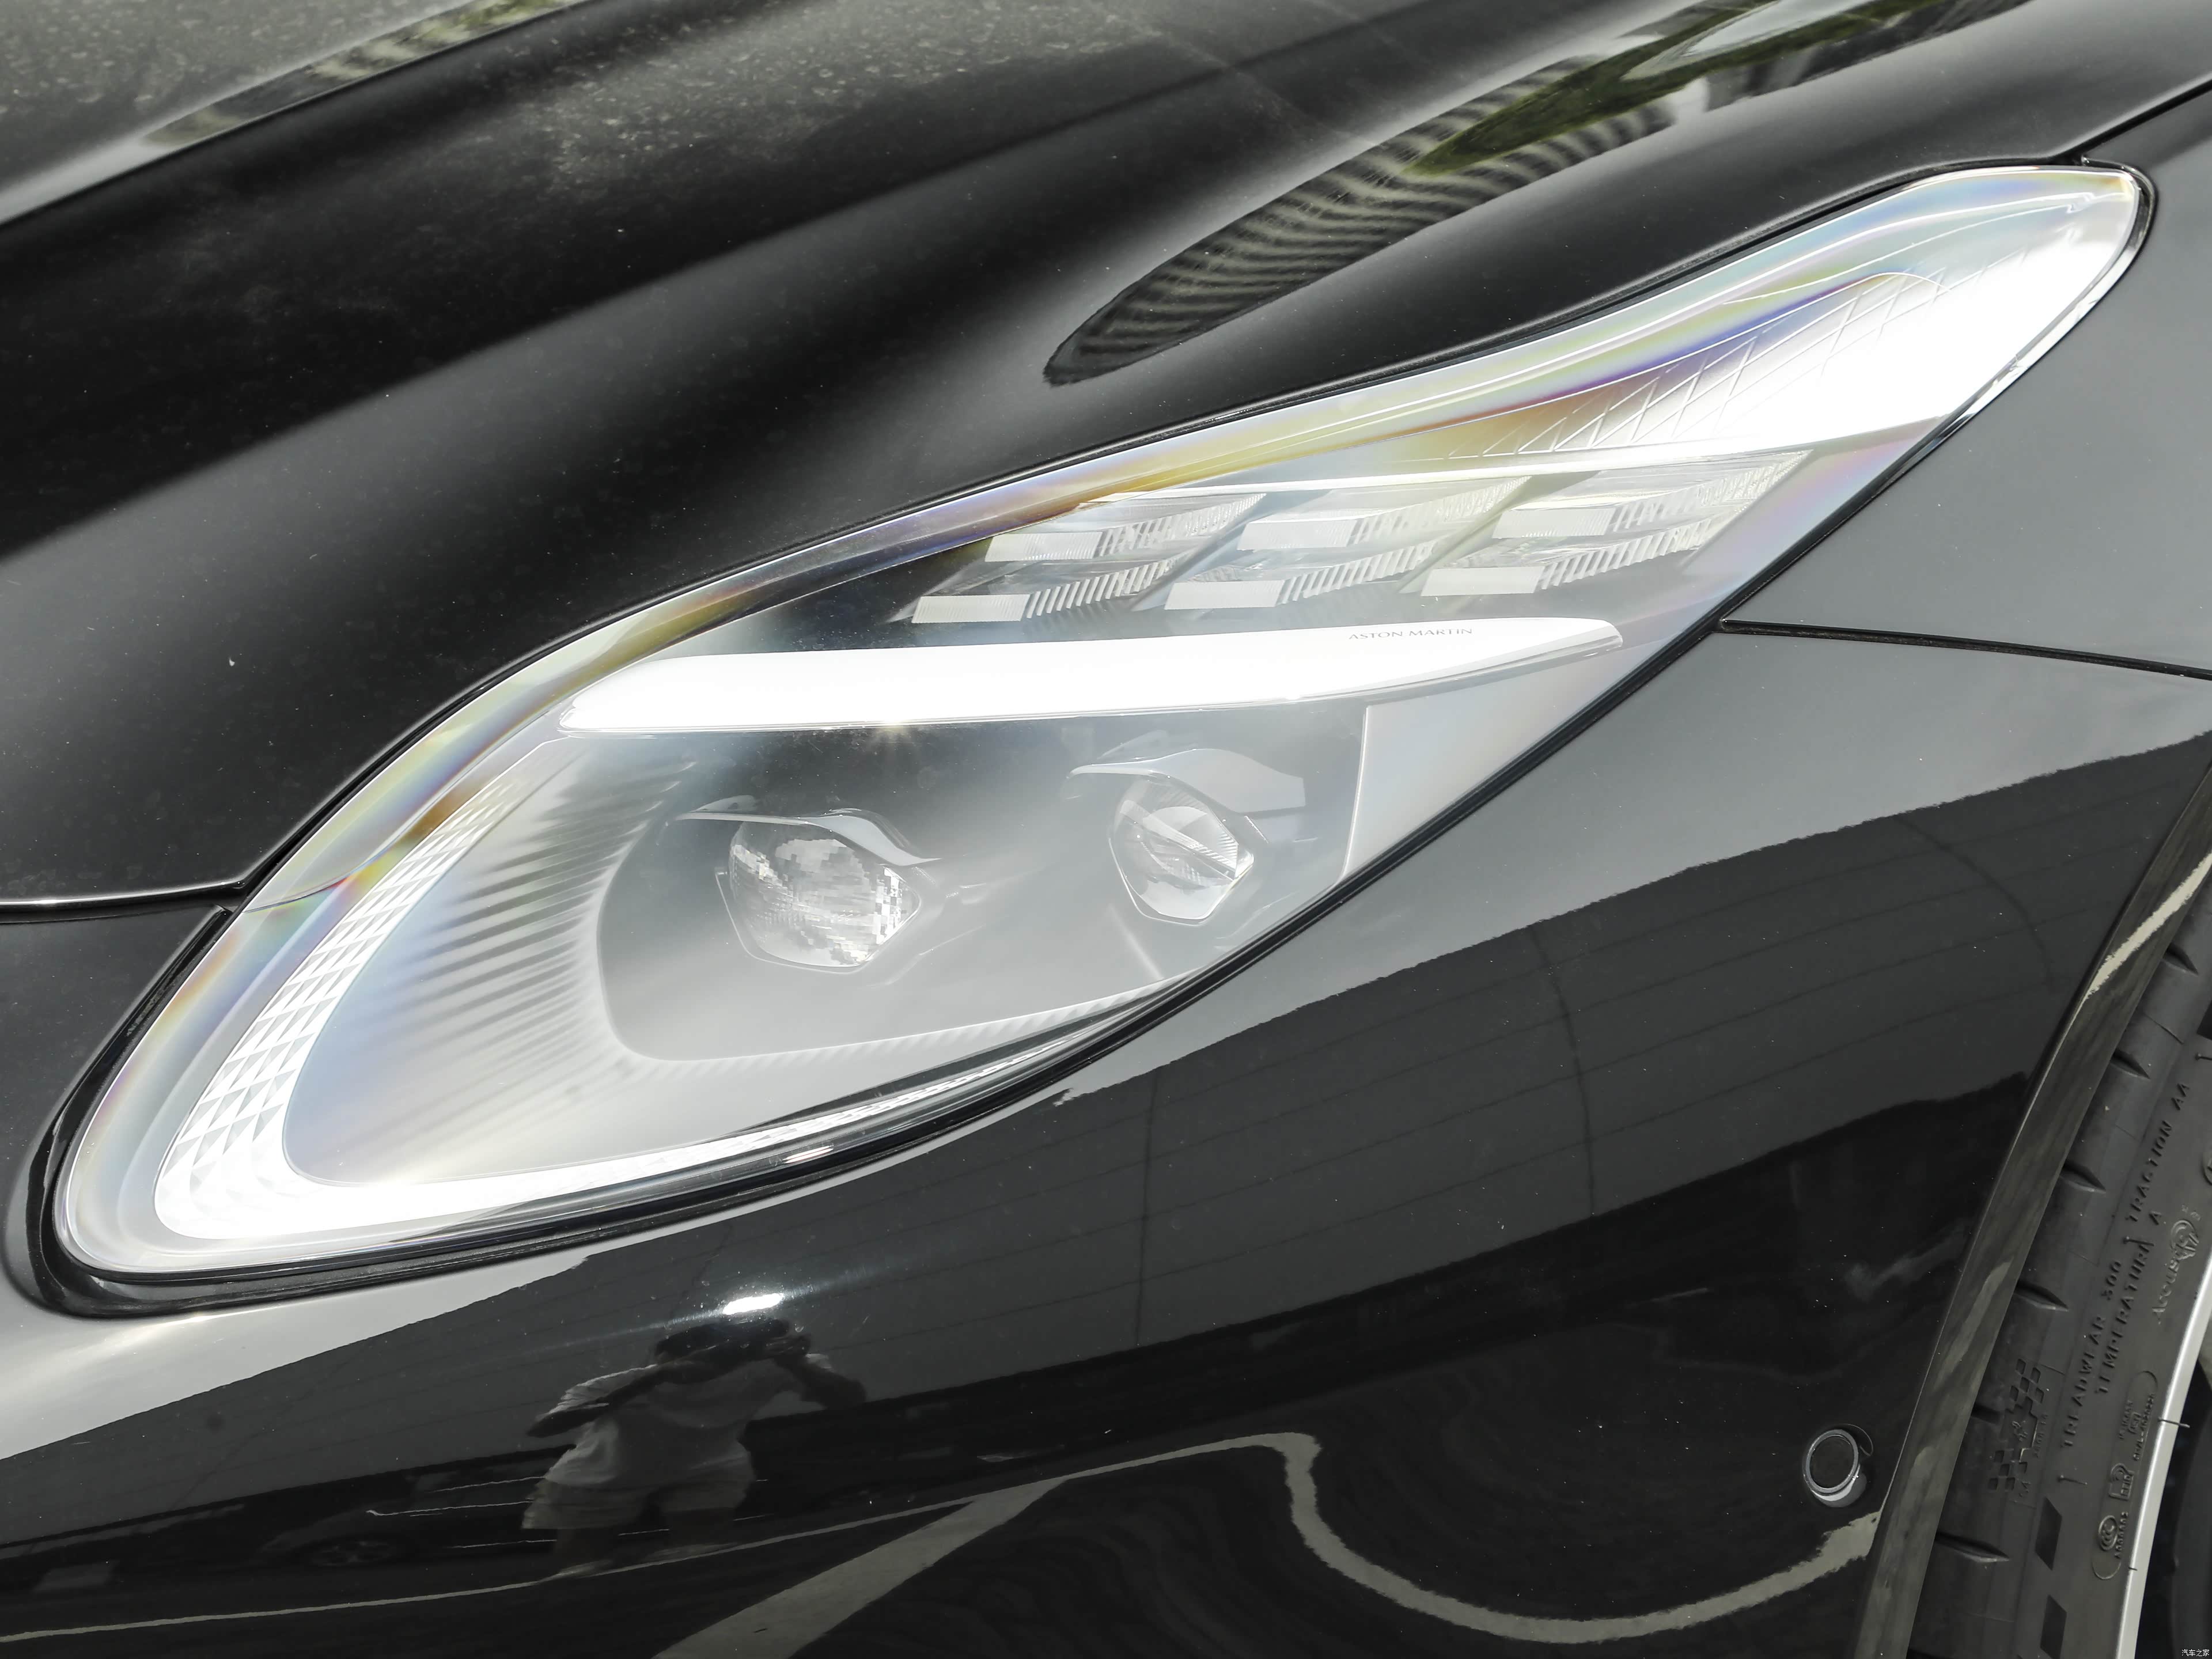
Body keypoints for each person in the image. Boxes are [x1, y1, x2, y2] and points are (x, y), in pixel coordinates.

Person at [521, 1314, 862, 1576]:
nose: (697, 1365)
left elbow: (848, 1399)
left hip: (708, 1467)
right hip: (599, 1476)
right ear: (661, 1358)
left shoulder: (772, 1369)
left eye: (713, 1355)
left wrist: (798, 1364)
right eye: (677, 1359)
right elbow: (543, 1428)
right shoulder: (620, 1382)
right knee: (582, 1570)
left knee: (701, 1559)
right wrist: (651, 1380)